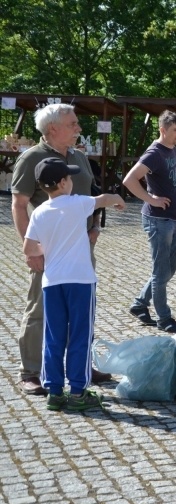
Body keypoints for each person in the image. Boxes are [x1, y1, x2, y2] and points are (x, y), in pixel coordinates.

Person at [10, 103, 111, 396]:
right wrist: (32, 251)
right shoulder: (32, 158)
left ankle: (80, 367)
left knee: (82, 310)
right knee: (40, 309)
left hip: (81, 250)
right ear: (53, 128)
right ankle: (30, 371)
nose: (79, 128)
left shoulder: (79, 156)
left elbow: (91, 198)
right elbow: (18, 205)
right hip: (50, 253)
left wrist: (94, 229)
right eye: (73, 123)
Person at [23, 158, 126, 411]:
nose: (71, 181)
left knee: (54, 337)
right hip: (80, 281)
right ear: (62, 182)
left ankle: (55, 392)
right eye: (69, 178)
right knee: (80, 336)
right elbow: (103, 199)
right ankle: (79, 392)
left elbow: (28, 248)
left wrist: (47, 248)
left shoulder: (38, 212)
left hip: (52, 282)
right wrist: (118, 199)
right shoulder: (77, 203)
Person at [123, 110, 176, 333]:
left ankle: (140, 304)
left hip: (173, 219)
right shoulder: (154, 153)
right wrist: (151, 199)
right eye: (175, 130)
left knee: (169, 270)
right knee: (161, 272)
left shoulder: (172, 149)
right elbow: (129, 180)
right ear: (163, 130)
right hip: (158, 220)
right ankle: (164, 318)